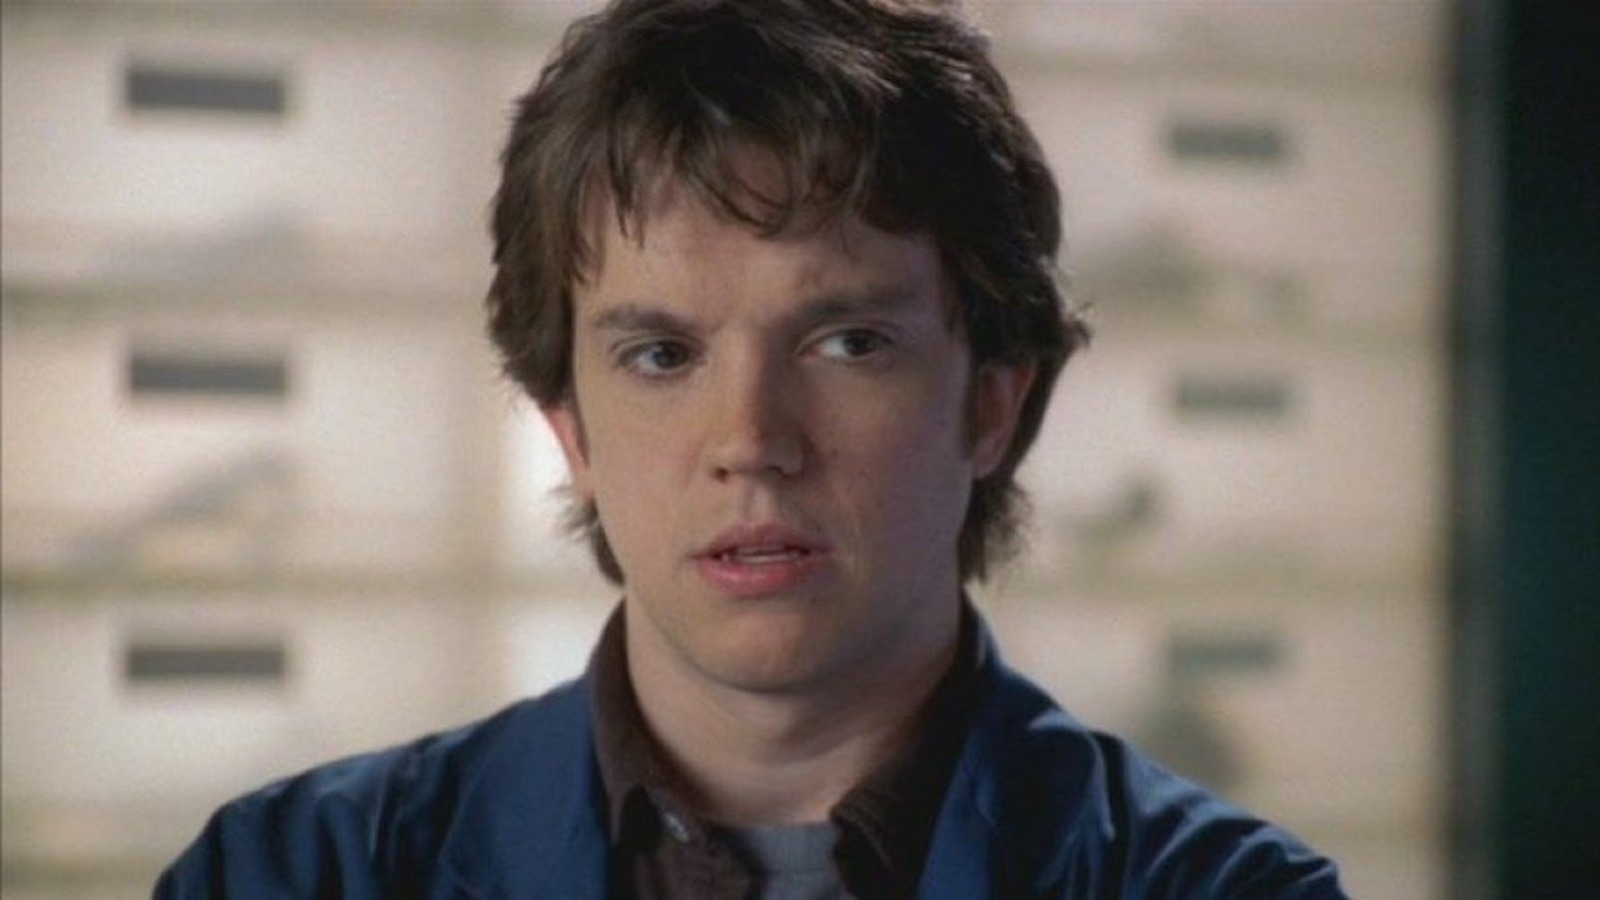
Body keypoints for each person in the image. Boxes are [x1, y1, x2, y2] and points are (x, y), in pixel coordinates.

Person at [157, 1, 1347, 897]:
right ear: (569, 430)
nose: (751, 443)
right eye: (660, 355)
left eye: (848, 343)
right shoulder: (291, 874)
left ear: (990, 403)